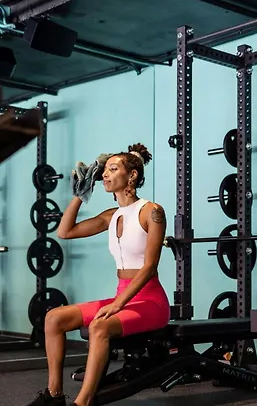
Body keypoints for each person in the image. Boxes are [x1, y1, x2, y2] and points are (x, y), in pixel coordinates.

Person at [26, 143, 170, 406]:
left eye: (113, 169)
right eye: (105, 170)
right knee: (53, 318)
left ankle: (83, 402)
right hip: (123, 297)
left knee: (99, 326)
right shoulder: (111, 217)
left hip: (150, 302)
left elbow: (149, 267)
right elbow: (64, 232)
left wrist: (118, 304)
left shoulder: (152, 212)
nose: (104, 174)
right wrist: (80, 196)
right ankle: (54, 395)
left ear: (132, 175)